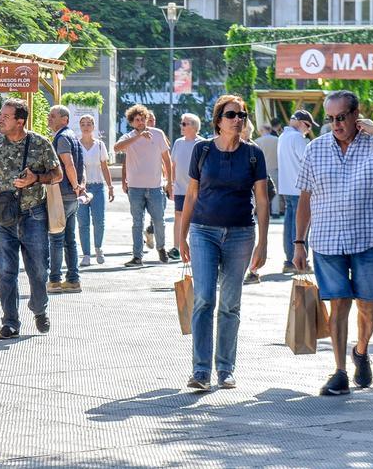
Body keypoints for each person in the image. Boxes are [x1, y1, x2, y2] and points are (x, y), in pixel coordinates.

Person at [293, 91, 373, 396]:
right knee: (339, 304)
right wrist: (299, 242)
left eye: (341, 117)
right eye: (330, 119)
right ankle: (340, 371)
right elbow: (304, 199)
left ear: (356, 114)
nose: (336, 124)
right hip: (327, 241)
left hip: (366, 238)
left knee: (369, 304)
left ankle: (361, 350)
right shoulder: (315, 149)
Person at [178, 95, 269, 391]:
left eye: (242, 114)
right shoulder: (202, 150)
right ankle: (201, 370)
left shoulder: (253, 154)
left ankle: (226, 369)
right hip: (204, 231)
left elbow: (263, 200)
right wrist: (182, 234)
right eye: (232, 115)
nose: (238, 119)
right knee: (204, 298)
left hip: (241, 234)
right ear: (218, 120)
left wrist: (264, 242)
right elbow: (191, 194)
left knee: (230, 303)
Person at [0, 99, 61, 339]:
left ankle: (39, 309)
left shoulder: (39, 143)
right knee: (6, 272)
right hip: (4, 217)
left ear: (20, 121)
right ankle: (10, 322)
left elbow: (57, 175)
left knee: (38, 270)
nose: (0, 119)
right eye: (0, 115)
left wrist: (35, 178)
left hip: (33, 214)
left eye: (6, 116)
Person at [114, 105, 172, 267]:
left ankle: (161, 248)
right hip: (135, 188)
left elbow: (167, 160)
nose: (140, 122)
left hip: (155, 187)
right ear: (132, 123)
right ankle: (137, 256)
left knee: (159, 220)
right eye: (137, 120)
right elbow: (116, 148)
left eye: (143, 119)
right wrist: (138, 137)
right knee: (137, 222)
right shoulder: (128, 137)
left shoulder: (158, 134)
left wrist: (170, 183)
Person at [47, 105, 86, 293]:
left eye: (53, 116)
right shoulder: (73, 137)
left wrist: (76, 185)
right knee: (70, 239)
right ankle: (73, 279)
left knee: (56, 238)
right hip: (72, 196)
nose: (49, 119)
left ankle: (54, 280)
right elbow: (81, 165)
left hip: (61, 195)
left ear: (65, 119)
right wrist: (80, 186)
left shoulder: (62, 137)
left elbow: (69, 164)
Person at [276, 110, 315, 274]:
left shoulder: (283, 136)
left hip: (287, 186)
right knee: (301, 226)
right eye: (308, 126)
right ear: (300, 122)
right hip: (300, 188)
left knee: (290, 223)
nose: (308, 130)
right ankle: (300, 261)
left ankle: (289, 260)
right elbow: (309, 161)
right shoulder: (297, 138)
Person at [77, 114, 114, 267]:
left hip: (98, 187)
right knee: (82, 222)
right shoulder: (76, 145)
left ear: (93, 126)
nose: (86, 126)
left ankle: (98, 247)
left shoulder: (99, 145)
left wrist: (110, 186)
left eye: (88, 124)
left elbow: (104, 167)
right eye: (83, 124)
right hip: (81, 189)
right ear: (80, 126)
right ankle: (86, 254)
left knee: (99, 221)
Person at [170, 114, 203, 261]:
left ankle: (194, 247)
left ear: (194, 126)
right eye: (182, 123)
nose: (181, 126)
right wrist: (170, 183)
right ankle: (176, 248)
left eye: (185, 124)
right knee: (179, 216)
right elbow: (173, 165)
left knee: (195, 218)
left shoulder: (202, 143)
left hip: (197, 190)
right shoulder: (178, 143)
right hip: (180, 188)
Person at [256, 122, 281, 216]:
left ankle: (262, 212)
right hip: (275, 168)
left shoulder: (257, 141)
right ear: (270, 130)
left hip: (261, 169)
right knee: (275, 192)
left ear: (262, 130)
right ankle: (275, 212)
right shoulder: (277, 140)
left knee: (260, 192)